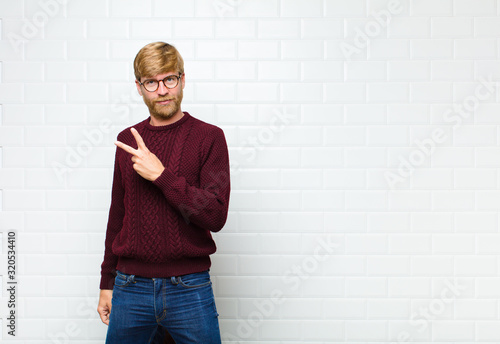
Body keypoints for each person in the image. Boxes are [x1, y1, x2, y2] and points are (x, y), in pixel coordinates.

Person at [97, 42, 230, 344]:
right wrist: (107, 282)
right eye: (152, 82)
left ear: (182, 80)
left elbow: (215, 214)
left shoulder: (209, 137)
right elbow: (117, 214)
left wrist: (161, 176)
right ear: (139, 87)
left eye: (169, 79)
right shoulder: (127, 140)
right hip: (130, 287)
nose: (162, 90)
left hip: (190, 288)